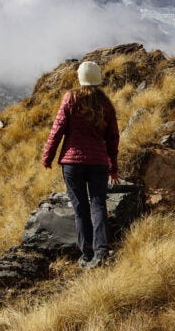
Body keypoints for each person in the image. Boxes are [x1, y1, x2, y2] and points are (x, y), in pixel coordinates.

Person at [41, 60, 120, 268]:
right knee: (98, 205)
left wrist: (47, 157)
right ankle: (101, 251)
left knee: (80, 208)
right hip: (99, 163)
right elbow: (113, 138)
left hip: (72, 163)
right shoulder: (105, 103)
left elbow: (57, 130)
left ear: (80, 77)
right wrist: (113, 166)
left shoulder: (71, 98)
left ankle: (86, 254)